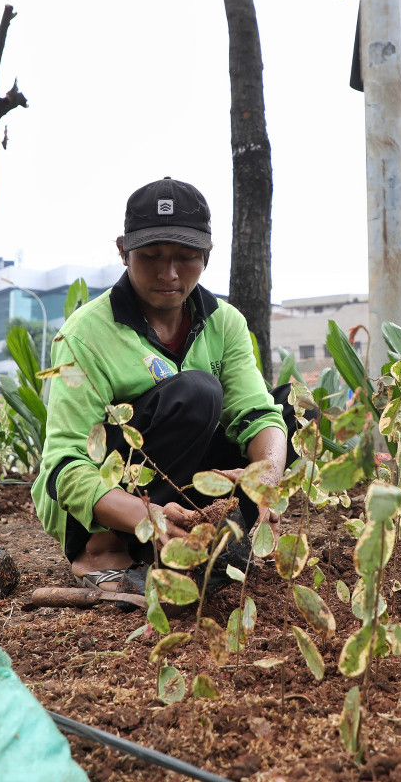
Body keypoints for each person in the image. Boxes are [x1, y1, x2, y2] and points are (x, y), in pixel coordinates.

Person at [33, 177, 296, 593]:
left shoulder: (224, 322)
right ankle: (103, 552)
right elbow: (65, 466)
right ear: (123, 251)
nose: (168, 273)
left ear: (207, 255)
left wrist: (266, 478)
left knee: (291, 416)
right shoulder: (83, 335)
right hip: (109, 499)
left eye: (186, 257)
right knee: (197, 393)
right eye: (151, 256)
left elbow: (255, 413)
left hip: (175, 478)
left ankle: (204, 533)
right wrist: (143, 513)